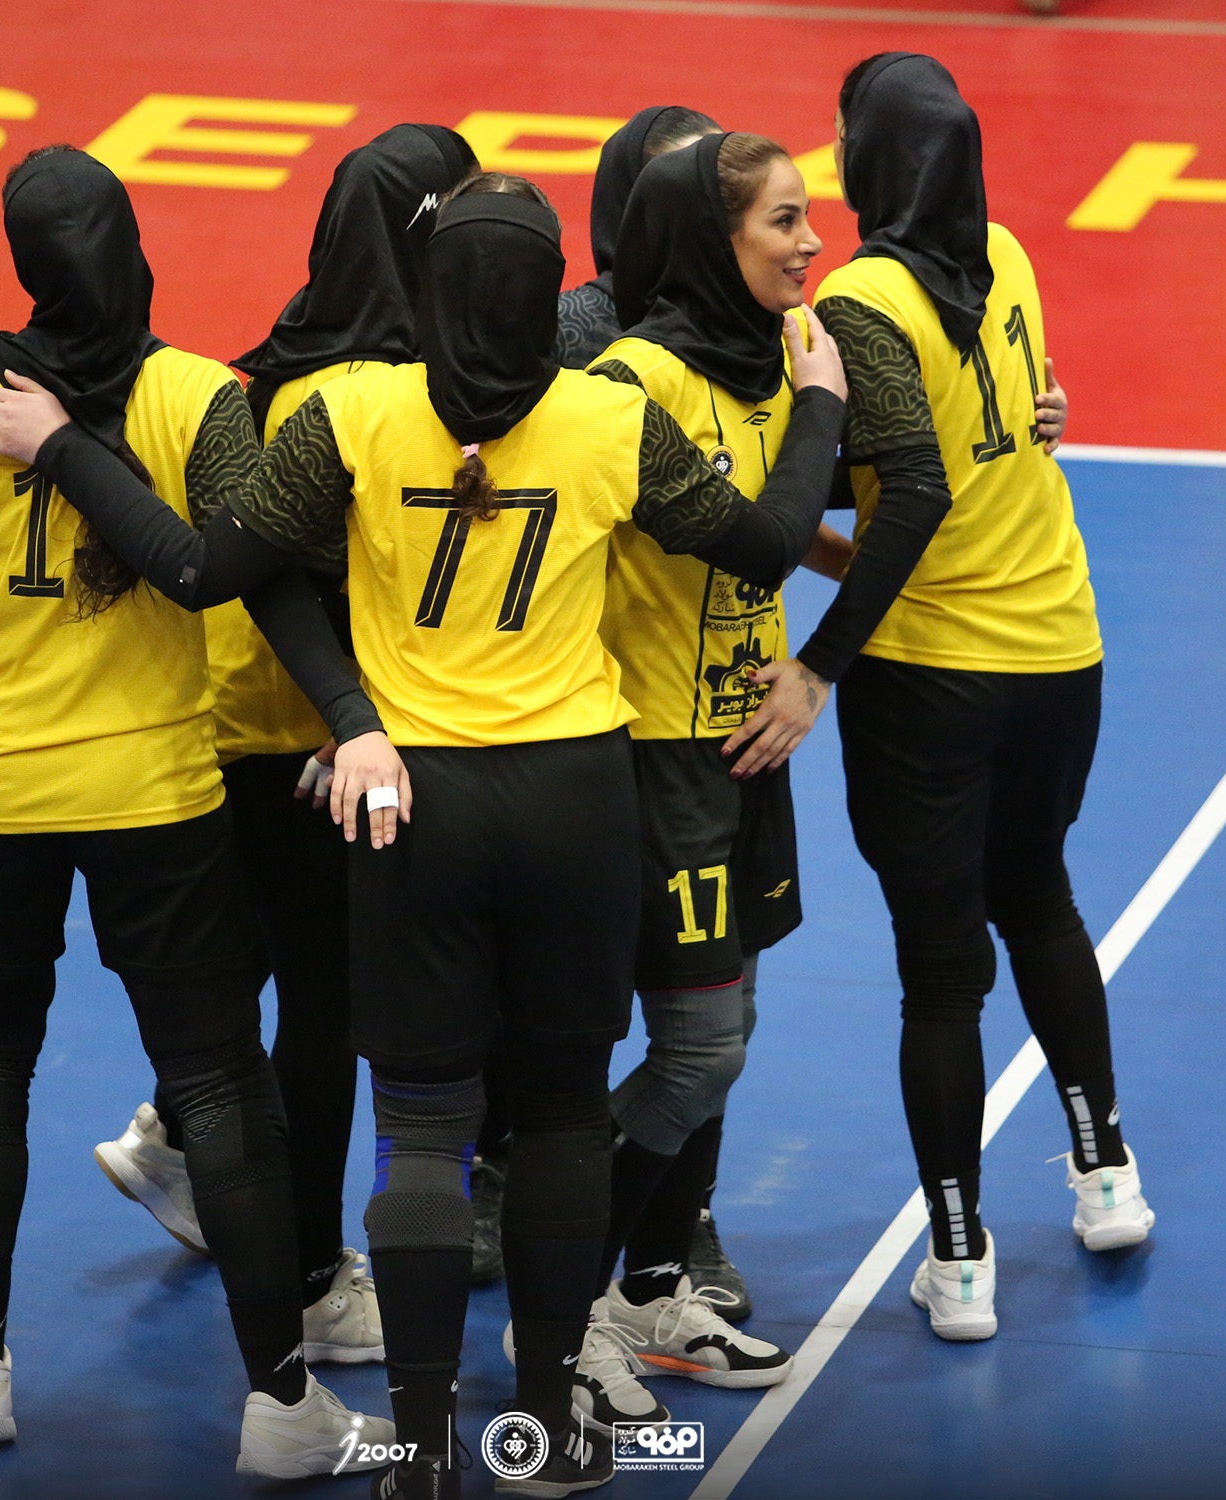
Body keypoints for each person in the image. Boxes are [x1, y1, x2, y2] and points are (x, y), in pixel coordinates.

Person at [0, 171, 848, 1500]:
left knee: (420, 1132)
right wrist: (818, 404)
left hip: (412, 809)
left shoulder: (351, 410)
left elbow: (211, 571)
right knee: (559, 1119)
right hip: (574, 805)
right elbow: (766, 546)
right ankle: (544, 1429)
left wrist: (70, 450)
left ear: (432, 293)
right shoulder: (610, 417)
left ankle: (422, 1450)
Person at [0, 145, 390, 1475]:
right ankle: (282, 1405)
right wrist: (351, 710)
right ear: (131, 249)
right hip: (153, 793)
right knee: (218, 1076)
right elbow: (248, 571)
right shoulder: (198, 398)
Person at [773, 53, 1155, 1343]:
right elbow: (994, 425)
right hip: (1059, 647)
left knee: (939, 976)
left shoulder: (857, 300)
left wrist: (816, 661)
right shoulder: (1004, 252)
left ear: (869, 155)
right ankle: (1105, 1173)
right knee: (1037, 896)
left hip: (930, 672)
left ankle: (957, 1255)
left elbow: (891, 486)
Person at [89, 121, 476, 1369]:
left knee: (252, 973)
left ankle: (173, 1142)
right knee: (323, 1018)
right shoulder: (376, 398)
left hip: (221, 730)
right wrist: (357, 717)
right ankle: (312, 1282)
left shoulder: (276, 365)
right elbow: (339, 584)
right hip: (309, 752)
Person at [511, 130, 830, 1432]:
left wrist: (1038, 414)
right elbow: (755, 539)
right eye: (784, 221)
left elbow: (867, 502)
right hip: (650, 757)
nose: (811, 242)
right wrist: (827, 410)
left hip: (744, 750)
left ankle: (648, 1287)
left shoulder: (781, 356)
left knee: (725, 1035)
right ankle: (562, 1307)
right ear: (714, 239)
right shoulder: (632, 381)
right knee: (696, 1050)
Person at [555, 104, 721, 370]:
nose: (719, 211)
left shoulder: (770, 324)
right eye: (694, 191)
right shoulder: (562, 329)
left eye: (727, 188)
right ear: (634, 206)